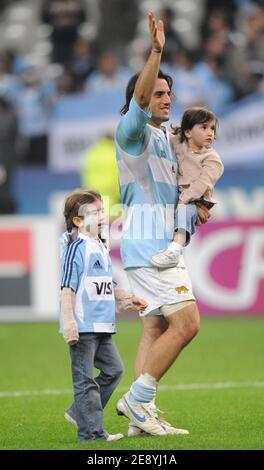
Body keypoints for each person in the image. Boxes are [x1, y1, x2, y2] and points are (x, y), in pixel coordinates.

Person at [115, 12, 210, 436]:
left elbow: (183, 186)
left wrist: (199, 207)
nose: (166, 98)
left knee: (155, 327)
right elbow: (137, 100)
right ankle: (137, 402)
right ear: (141, 97)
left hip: (156, 241)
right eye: (157, 93)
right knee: (187, 323)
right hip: (146, 242)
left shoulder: (167, 137)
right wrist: (155, 51)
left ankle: (140, 419)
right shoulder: (131, 132)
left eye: (168, 92)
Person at [60, 188, 148, 442]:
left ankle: (80, 412)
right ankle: (91, 434)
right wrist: (69, 322)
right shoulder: (76, 248)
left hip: (103, 325)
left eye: (101, 210)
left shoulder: (100, 245)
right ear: (77, 221)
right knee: (84, 380)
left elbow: (105, 284)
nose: (101, 216)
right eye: (93, 212)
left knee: (114, 371)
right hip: (83, 325)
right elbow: (68, 288)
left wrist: (128, 299)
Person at [150, 106, 224, 269]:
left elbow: (201, 184)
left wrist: (183, 201)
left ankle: (175, 250)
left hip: (196, 201)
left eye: (212, 128)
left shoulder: (212, 159)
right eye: (204, 127)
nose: (210, 132)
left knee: (185, 213)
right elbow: (159, 136)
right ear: (188, 132)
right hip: (175, 195)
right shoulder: (176, 142)